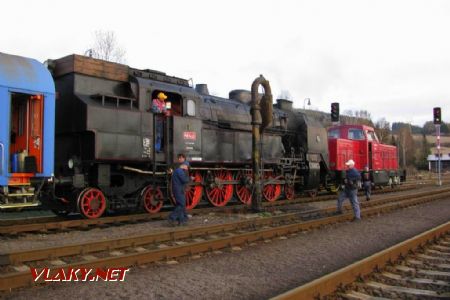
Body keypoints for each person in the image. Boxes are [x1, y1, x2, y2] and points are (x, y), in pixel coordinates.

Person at [168, 161, 190, 226]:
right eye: (187, 166)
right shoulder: (180, 171)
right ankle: (171, 217)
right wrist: (190, 178)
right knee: (181, 204)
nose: (187, 168)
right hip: (179, 190)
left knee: (179, 205)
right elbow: (184, 180)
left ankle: (182, 220)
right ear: (183, 165)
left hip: (177, 190)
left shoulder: (176, 171)